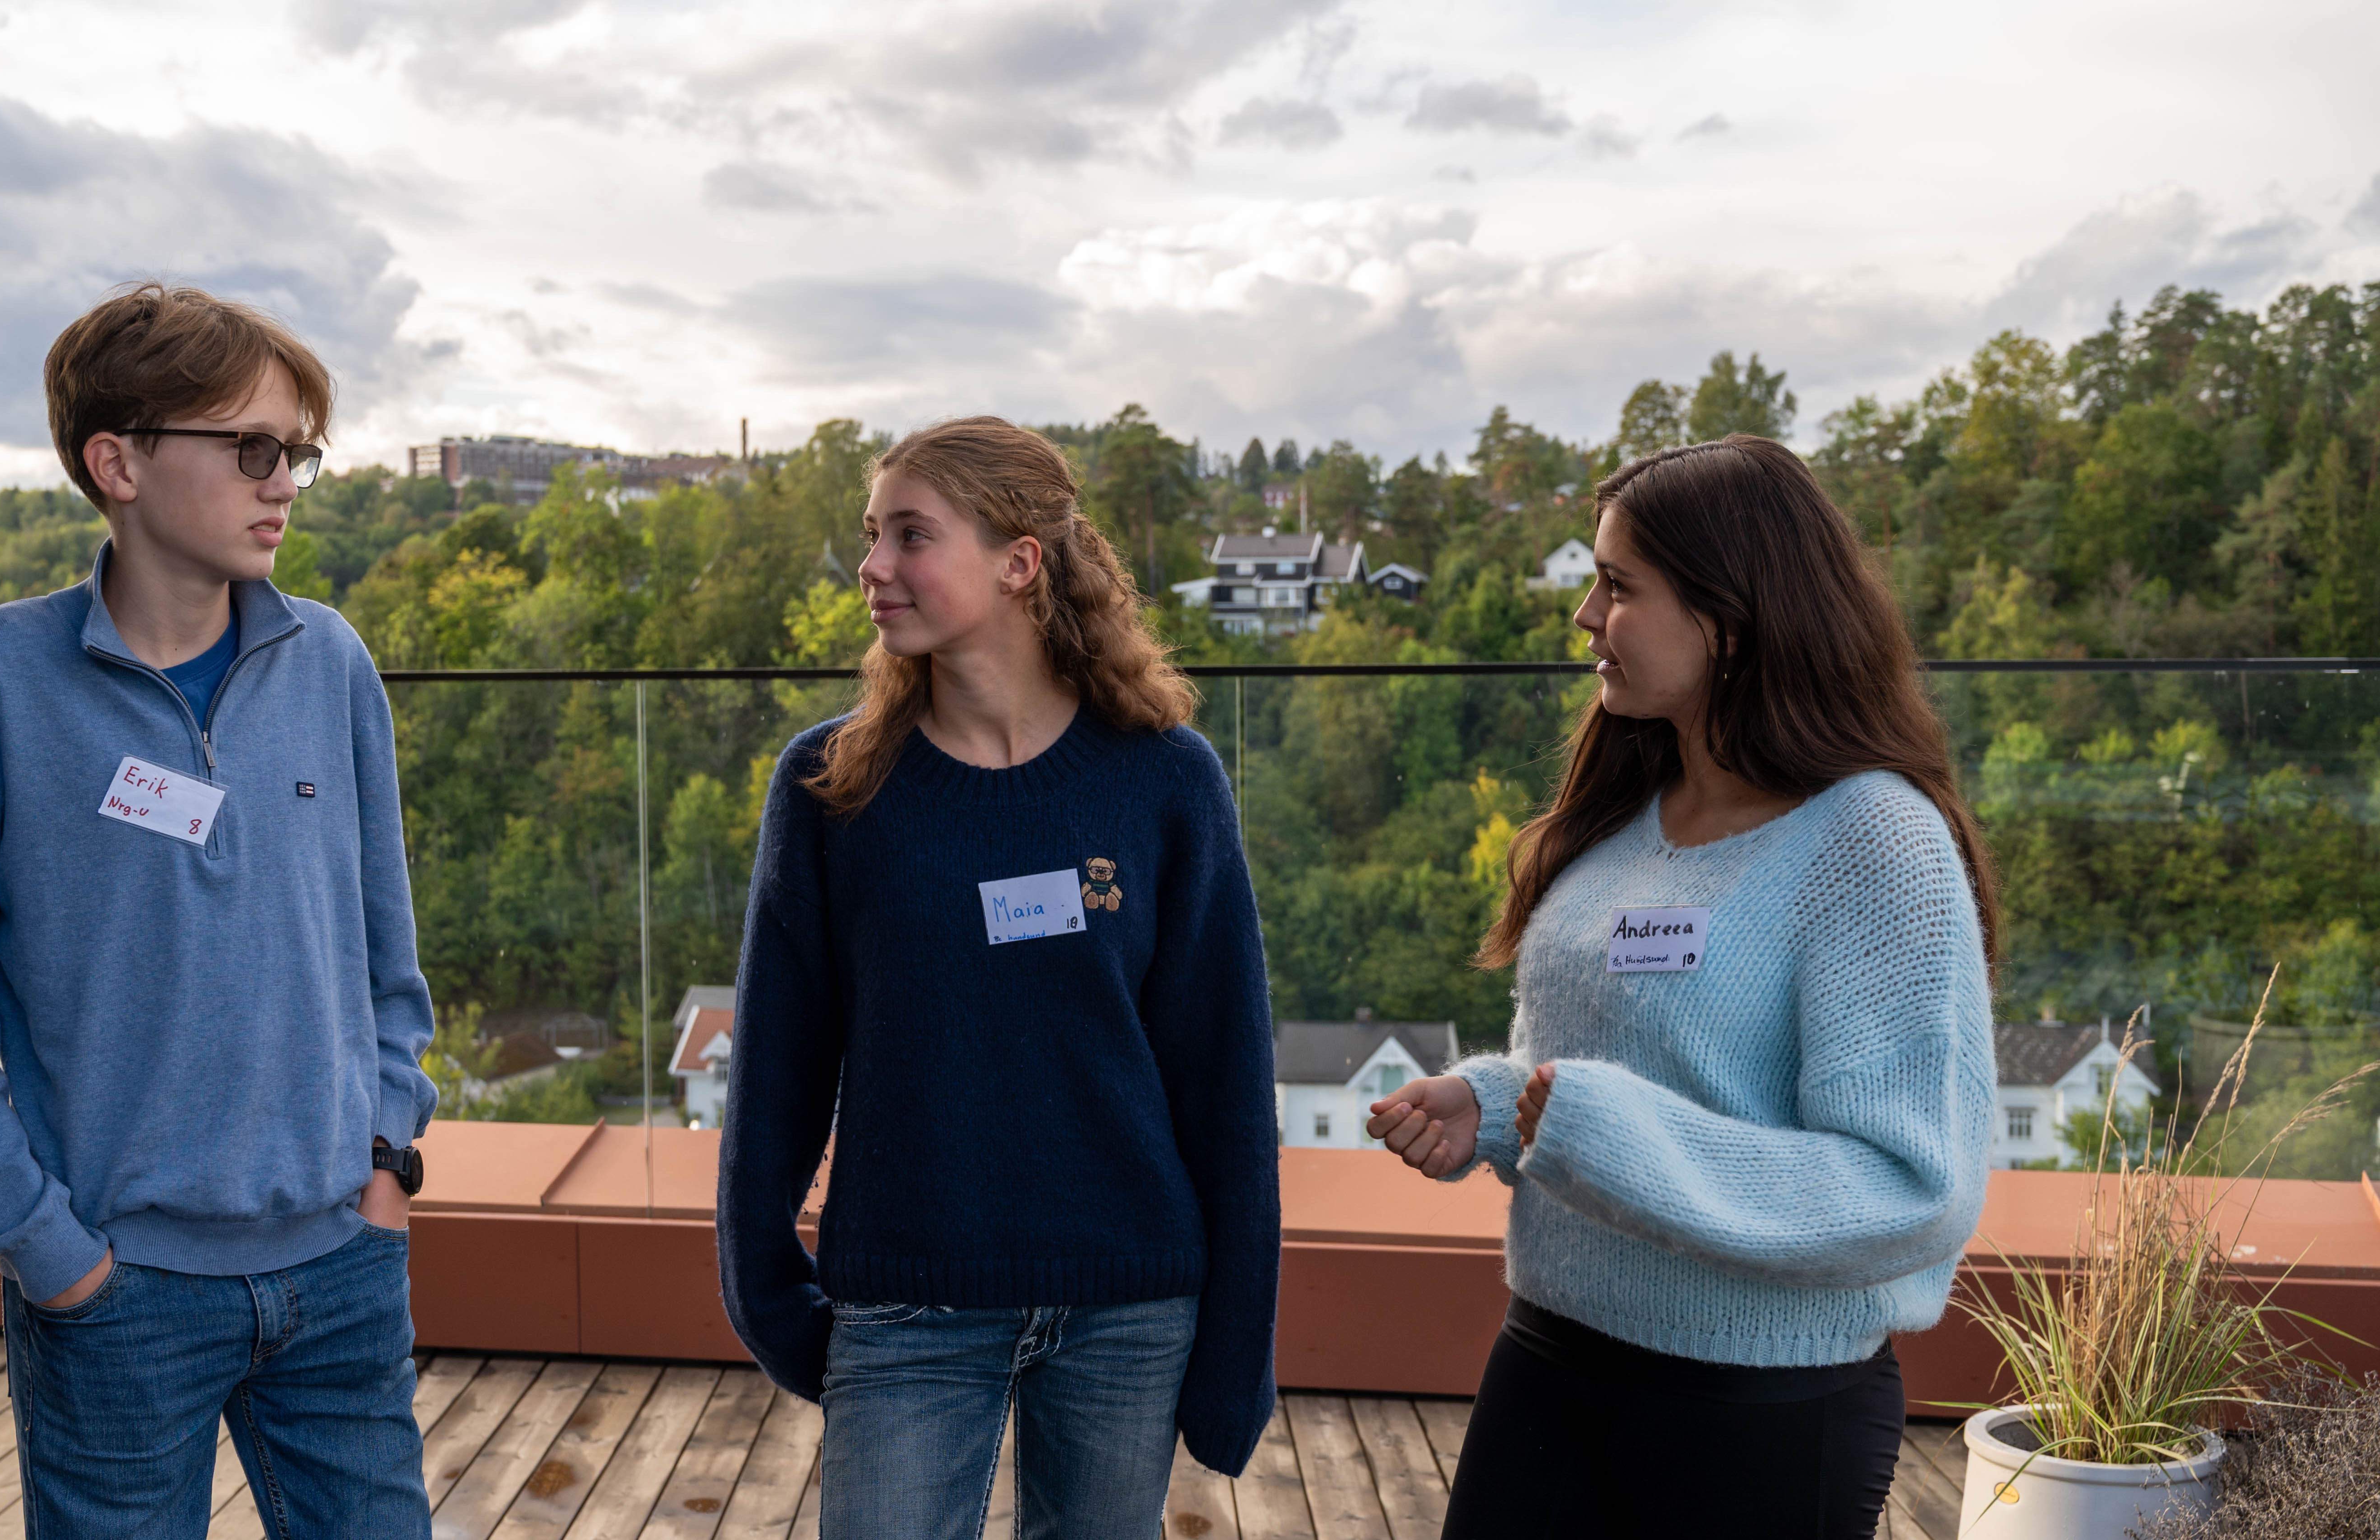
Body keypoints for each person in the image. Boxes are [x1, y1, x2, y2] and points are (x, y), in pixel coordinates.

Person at [1366, 436, 1998, 1540]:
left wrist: (1600, 1126)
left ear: (1733, 616)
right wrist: (1500, 1104)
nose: (1584, 615)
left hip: (1755, 1406)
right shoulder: (1624, 807)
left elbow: (1912, 1184)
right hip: (1551, 1351)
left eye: (1618, 585)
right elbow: (1613, 1076)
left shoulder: (1876, 842)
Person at [0, 282, 439, 1539]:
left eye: (295, 451)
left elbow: (383, 957)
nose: (284, 480)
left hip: (342, 1271)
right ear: (117, 461)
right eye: (251, 447)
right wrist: (50, 1253)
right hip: (117, 1293)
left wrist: (384, 1168)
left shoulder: (334, 663)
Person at [716, 416, 1280, 1538]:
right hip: (906, 1301)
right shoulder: (833, 788)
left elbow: (1225, 1079)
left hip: (1129, 1301)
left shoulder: (1166, 779)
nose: (872, 567)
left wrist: (1237, 1354)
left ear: (1020, 560)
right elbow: (776, 1069)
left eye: (910, 535)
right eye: (872, 535)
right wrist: (769, 1288)